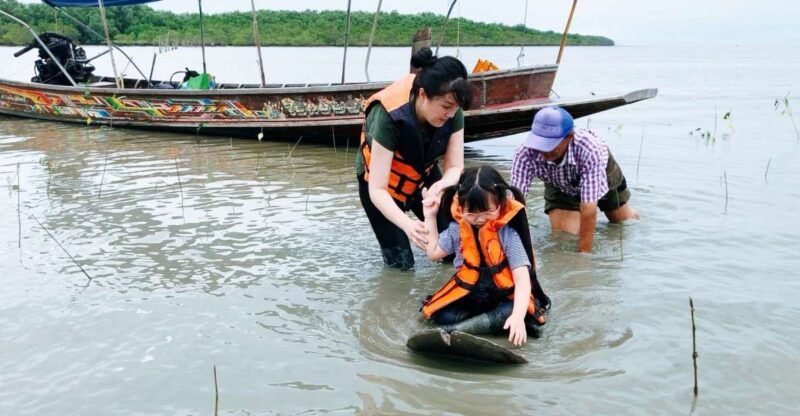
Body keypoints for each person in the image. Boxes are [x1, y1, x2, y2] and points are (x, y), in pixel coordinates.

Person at [356, 47, 472, 270]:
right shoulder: (388, 115)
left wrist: (441, 187)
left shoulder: (453, 110)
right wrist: (408, 225)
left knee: (452, 249)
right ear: (422, 95)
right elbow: (377, 190)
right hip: (383, 186)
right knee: (401, 266)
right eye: (446, 107)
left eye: (455, 108)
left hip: (424, 177)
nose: (450, 114)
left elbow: (456, 166)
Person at [418, 166, 549, 345]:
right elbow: (433, 253)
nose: (479, 219)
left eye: (487, 212)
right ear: (460, 205)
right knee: (441, 315)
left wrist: (518, 317)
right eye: (471, 213)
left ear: (500, 205)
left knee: (513, 312)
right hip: (471, 295)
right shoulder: (457, 230)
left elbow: (522, 280)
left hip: (502, 297)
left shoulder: (507, 234)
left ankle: (452, 333)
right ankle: (481, 326)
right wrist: (430, 216)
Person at [510, 106, 639, 253]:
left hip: (603, 175)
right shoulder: (525, 152)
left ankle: (630, 213)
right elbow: (515, 203)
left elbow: (589, 208)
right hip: (559, 183)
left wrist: (584, 256)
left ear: (569, 137)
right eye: (540, 143)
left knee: (623, 222)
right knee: (565, 237)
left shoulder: (590, 149)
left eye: (550, 145)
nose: (544, 150)